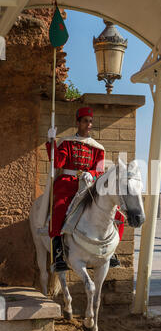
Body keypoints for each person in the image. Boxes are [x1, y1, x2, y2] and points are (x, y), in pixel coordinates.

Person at [47, 106, 124, 271]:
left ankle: (111, 253)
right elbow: (58, 163)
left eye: (90, 121)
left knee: (119, 215)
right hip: (68, 183)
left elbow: (99, 169)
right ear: (78, 122)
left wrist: (92, 174)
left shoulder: (97, 147)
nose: (88, 124)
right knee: (59, 209)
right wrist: (52, 142)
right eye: (85, 121)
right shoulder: (67, 142)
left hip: (89, 185)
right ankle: (58, 253)